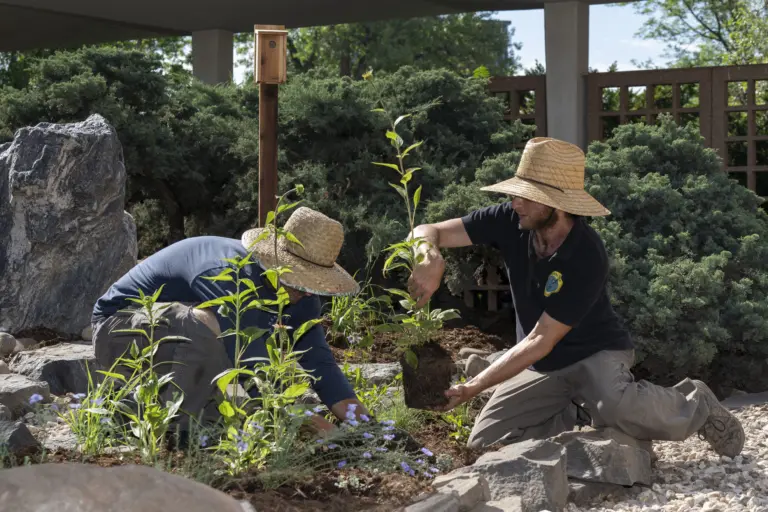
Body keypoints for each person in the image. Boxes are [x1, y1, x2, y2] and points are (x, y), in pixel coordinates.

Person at [406, 137, 745, 458]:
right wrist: (427, 255)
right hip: (542, 366)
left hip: (594, 353)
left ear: (557, 204)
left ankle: (695, 404)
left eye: (527, 196)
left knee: (615, 404)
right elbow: (427, 230)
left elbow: (541, 339)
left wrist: (473, 387)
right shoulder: (511, 220)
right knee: (485, 443)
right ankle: (578, 413)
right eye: (516, 194)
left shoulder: (586, 254)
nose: (515, 202)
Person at [91, 206, 369, 433]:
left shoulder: (304, 297)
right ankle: (185, 430)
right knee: (209, 324)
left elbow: (320, 364)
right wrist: (308, 422)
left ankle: (183, 415)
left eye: (312, 283)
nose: (305, 291)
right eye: (299, 280)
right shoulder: (230, 274)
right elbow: (250, 361)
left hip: (175, 344)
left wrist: (368, 427)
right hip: (118, 330)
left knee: (217, 340)